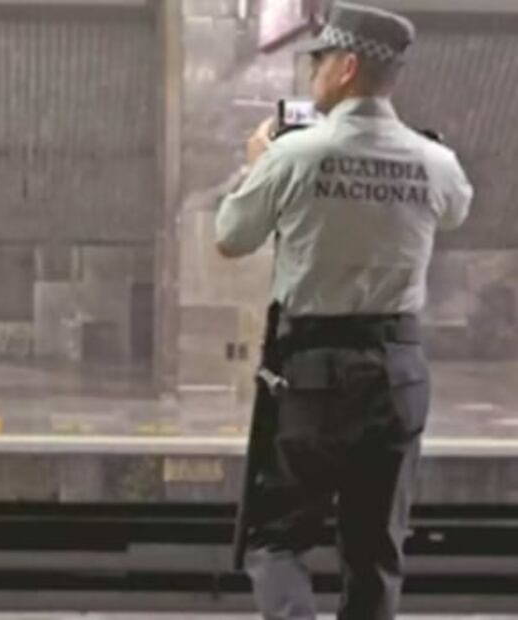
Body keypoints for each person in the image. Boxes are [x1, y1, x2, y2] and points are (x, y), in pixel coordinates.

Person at [215, 3, 473, 619]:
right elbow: (456, 209)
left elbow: (231, 236)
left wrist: (258, 165)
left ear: (347, 66)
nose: (313, 73)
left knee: (276, 539)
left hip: (313, 375)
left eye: (320, 60)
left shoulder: (294, 155)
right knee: (374, 548)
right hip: (397, 374)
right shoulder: (436, 164)